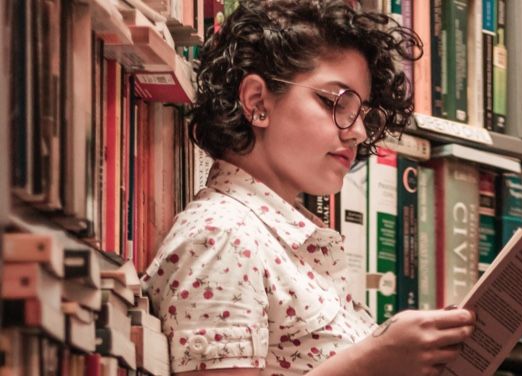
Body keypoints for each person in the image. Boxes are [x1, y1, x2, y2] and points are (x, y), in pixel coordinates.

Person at [141, 1, 476, 375]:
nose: (358, 132)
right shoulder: (222, 237)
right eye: (337, 102)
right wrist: (372, 361)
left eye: (363, 113)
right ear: (257, 102)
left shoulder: (293, 247)